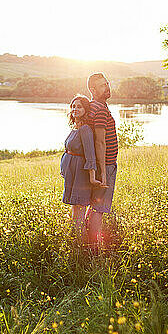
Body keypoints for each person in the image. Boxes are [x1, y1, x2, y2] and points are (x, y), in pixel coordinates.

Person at [60, 95, 103, 242]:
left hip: (81, 175)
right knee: (75, 209)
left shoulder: (85, 129)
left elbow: (90, 155)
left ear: (85, 109)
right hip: (71, 174)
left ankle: (82, 247)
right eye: (73, 106)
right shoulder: (75, 127)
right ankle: (77, 242)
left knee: (79, 210)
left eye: (79, 107)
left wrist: (92, 177)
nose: (75, 109)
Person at [86, 72, 118, 252]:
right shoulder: (98, 109)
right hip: (104, 166)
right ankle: (94, 249)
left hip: (102, 165)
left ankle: (88, 242)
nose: (107, 87)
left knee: (95, 205)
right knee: (99, 207)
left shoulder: (98, 106)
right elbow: (100, 141)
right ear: (93, 90)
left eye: (107, 83)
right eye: (102, 85)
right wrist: (104, 172)